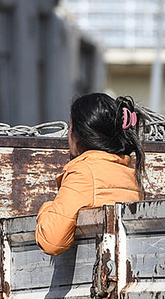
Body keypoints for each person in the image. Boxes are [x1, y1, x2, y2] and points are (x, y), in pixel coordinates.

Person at [35, 92, 145, 256]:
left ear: (78, 136)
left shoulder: (83, 173)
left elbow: (51, 241)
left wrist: (47, 209)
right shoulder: (129, 173)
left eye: (70, 127)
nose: (67, 134)